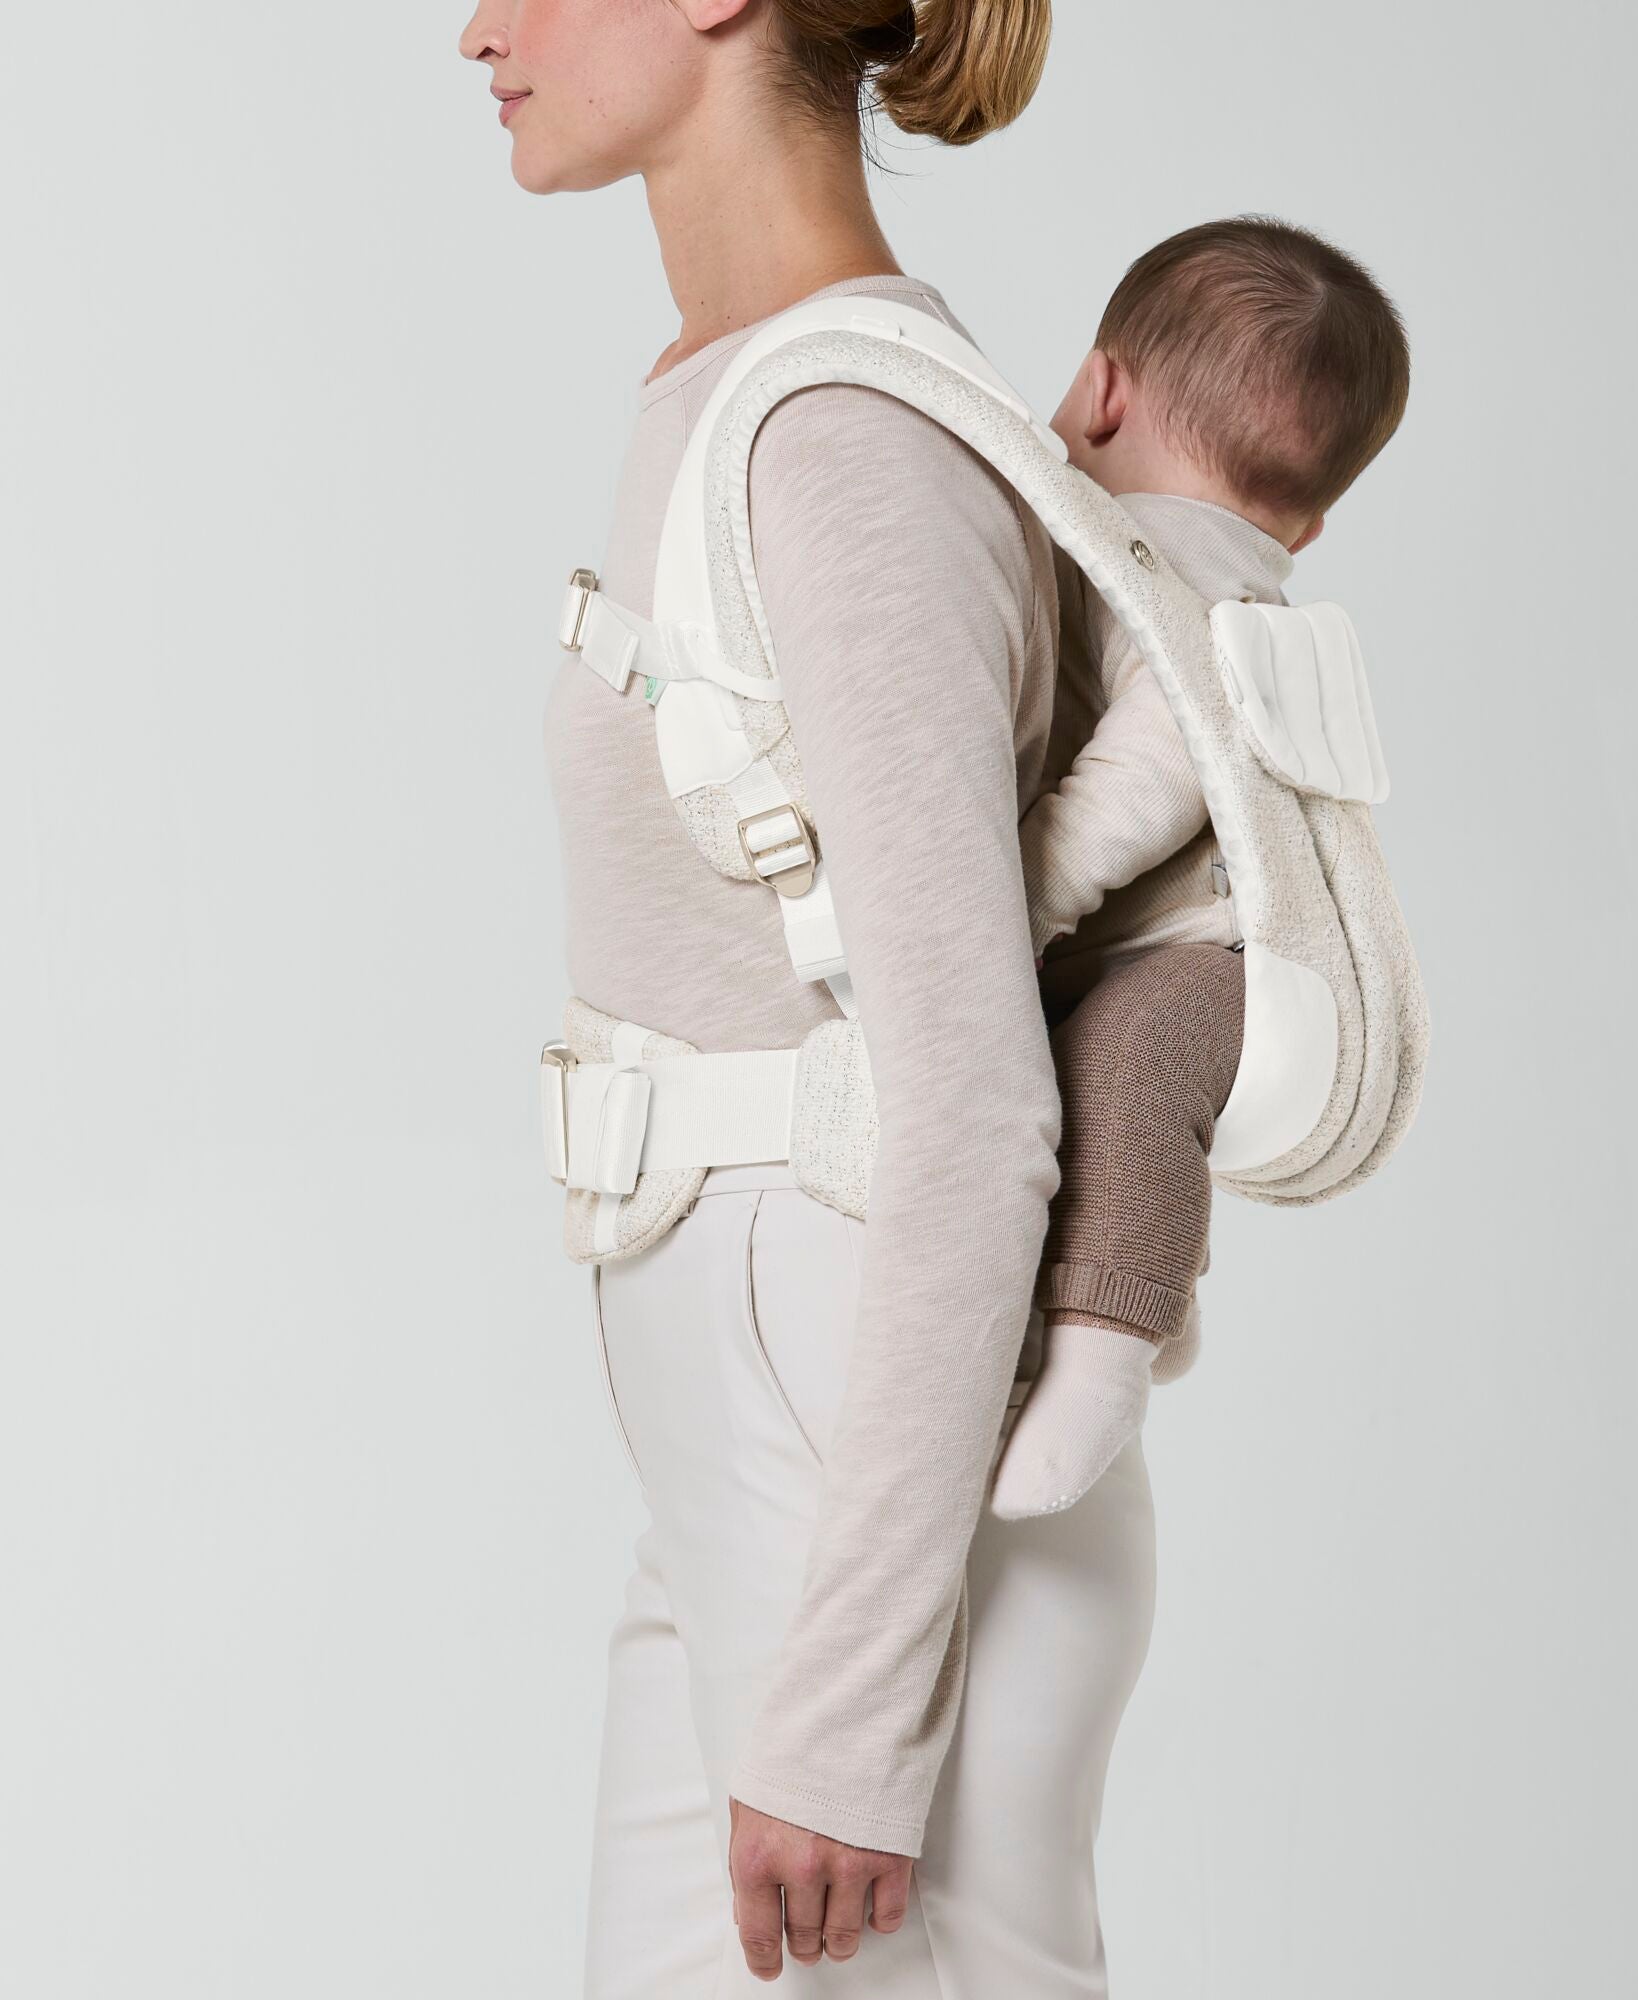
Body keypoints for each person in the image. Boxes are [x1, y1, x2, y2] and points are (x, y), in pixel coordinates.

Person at [458, 3, 1154, 1994]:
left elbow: (977, 1103)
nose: (476, 30)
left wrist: (852, 1713)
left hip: (853, 1407)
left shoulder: (847, 438)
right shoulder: (740, 392)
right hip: (755, 1415)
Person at [989, 215, 1413, 1521]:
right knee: (1102, 1090)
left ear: (1100, 393)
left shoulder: (1163, 566)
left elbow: (1172, 746)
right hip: (1219, 961)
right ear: (1316, 522)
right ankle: (1140, 1295)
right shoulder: (1234, 567)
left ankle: (1107, 1353)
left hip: (1217, 967)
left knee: (1129, 1062)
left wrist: (1026, 893)